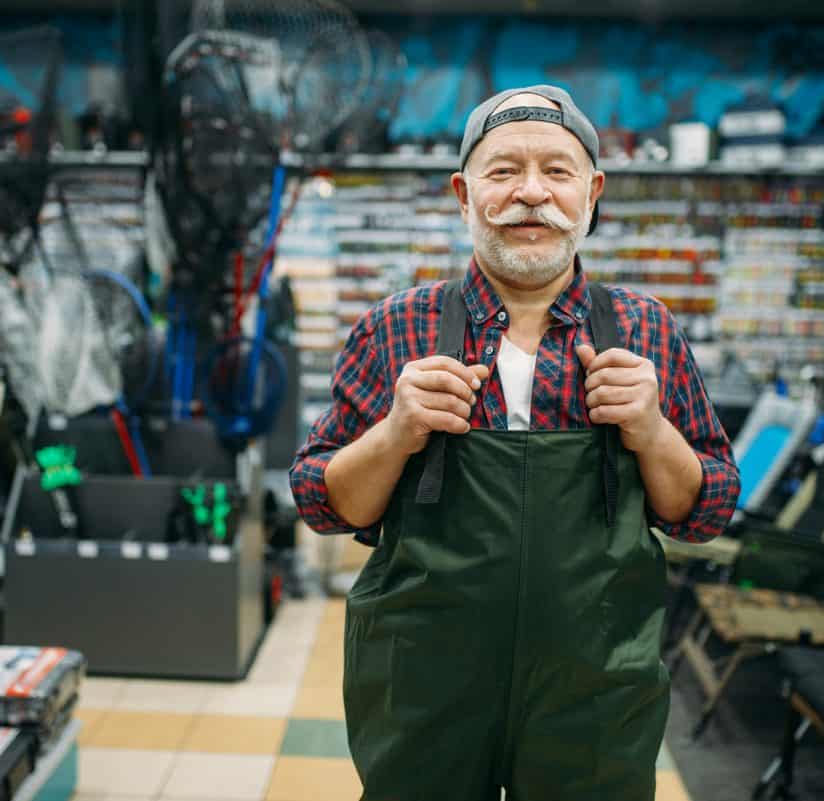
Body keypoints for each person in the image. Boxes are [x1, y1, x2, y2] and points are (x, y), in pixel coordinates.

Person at [289, 85, 740, 801]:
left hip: (595, 687)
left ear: (592, 192)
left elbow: (706, 509)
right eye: (503, 171)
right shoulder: (394, 329)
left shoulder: (644, 331)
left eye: (556, 171)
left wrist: (652, 430)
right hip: (423, 683)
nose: (531, 193)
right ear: (463, 194)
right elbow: (322, 502)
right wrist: (395, 432)